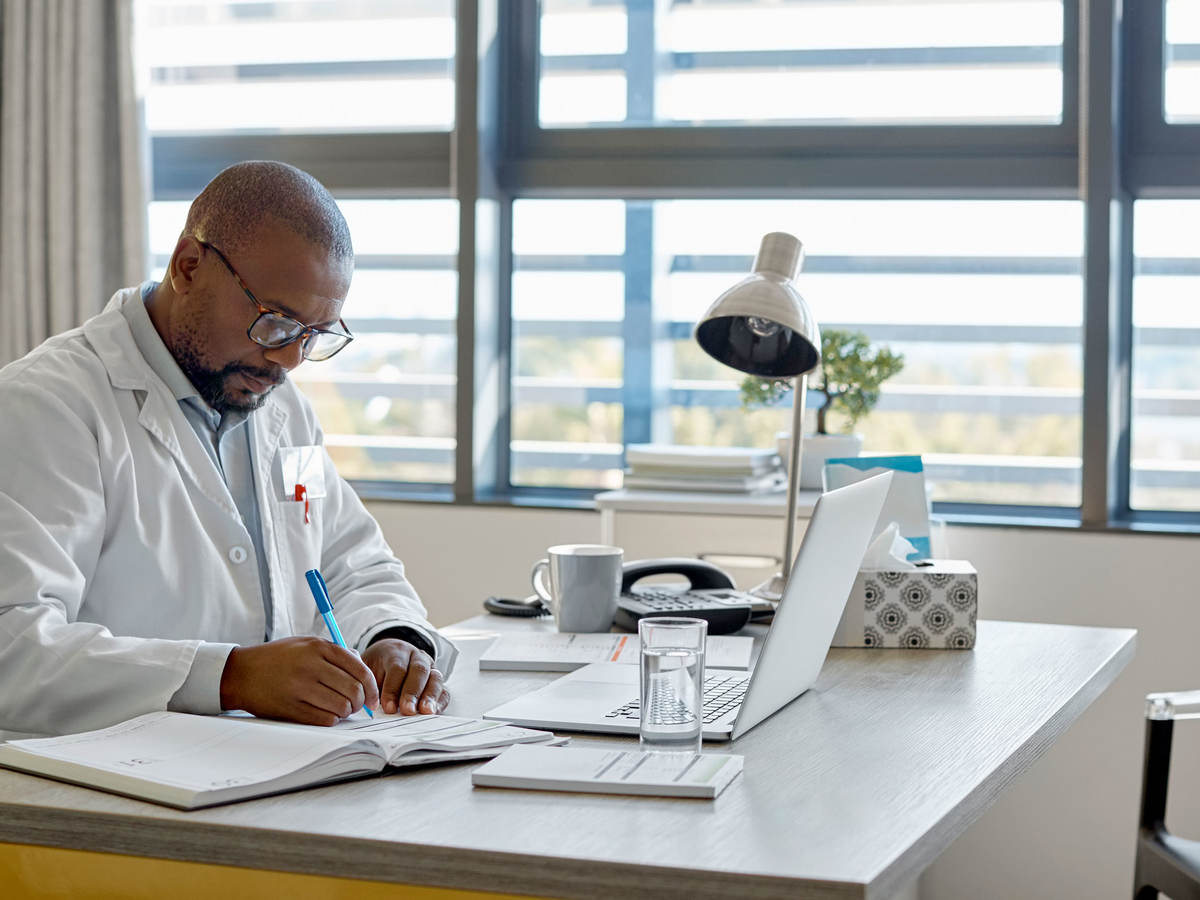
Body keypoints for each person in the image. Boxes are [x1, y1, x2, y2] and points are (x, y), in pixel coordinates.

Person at [0, 161, 457, 740]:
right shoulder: (46, 406)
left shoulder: (281, 410)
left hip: (266, 765)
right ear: (188, 266)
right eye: (276, 322)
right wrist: (228, 678)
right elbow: (12, 646)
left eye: (315, 335)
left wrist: (394, 638)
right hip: (101, 790)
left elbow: (350, 562)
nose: (289, 360)